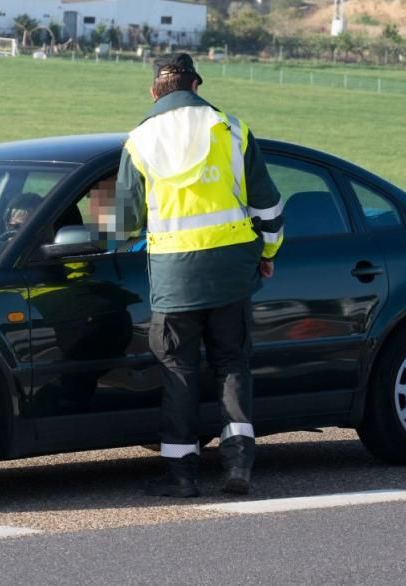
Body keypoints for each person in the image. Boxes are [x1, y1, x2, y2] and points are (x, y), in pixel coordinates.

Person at [113, 53, 284, 497]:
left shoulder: (139, 141)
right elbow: (268, 207)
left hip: (174, 277)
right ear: (196, 84)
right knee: (232, 363)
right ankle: (239, 466)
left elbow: (126, 223)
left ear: (154, 91)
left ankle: (181, 475)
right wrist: (266, 252)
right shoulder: (231, 129)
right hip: (231, 271)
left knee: (179, 371)